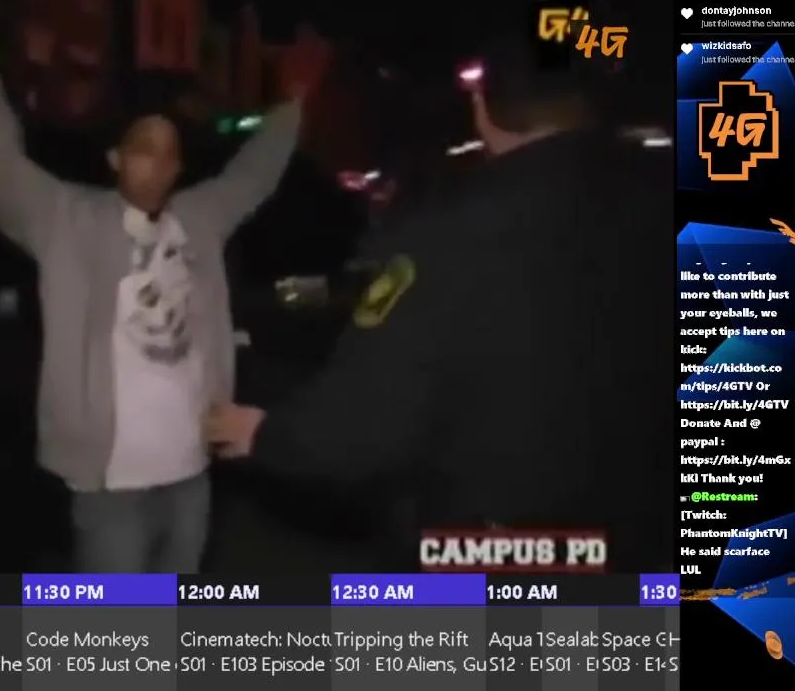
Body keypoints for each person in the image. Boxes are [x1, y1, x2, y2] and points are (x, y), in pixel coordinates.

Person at [206, 34, 673, 572]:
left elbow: (370, 418)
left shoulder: (449, 236)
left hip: (498, 549)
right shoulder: (662, 208)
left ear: (481, 108)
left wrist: (264, 435)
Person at [0, 0, 324, 572]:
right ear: (116, 159)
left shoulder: (199, 219)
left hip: (191, 470)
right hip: (112, 483)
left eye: (169, 153)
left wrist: (292, 103)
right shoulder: (67, 218)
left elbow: (252, 174)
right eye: (144, 148)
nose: (158, 163)